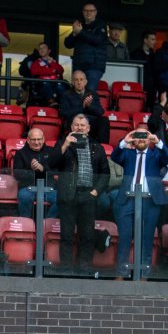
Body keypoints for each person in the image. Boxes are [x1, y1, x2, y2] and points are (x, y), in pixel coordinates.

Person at [50, 114, 110, 275]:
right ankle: (66, 269)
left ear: (88, 129)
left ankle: (85, 268)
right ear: (71, 127)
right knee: (67, 235)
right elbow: (51, 164)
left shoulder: (97, 147)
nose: (79, 128)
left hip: (88, 195)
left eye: (83, 125)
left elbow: (105, 173)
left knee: (87, 236)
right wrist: (65, 145)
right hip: (68, 195)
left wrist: (95, 192)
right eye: (76, 125)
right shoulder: (62, 144)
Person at [110, 126, 168, 278]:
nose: (142, 139)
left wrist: (158, 142)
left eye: (145, 136)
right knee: (124, 237)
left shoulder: (156, 154)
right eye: (138, 136)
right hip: (127, 199)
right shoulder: (128, 154)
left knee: (147, 238)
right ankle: (121, 273)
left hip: (150, 201)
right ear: (134, 140)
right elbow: (115, 156)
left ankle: (144, 274)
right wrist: (125, 141)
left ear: (149, 139)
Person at [64, 3, 108, 88]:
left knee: (89, 91)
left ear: (95, 12)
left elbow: (98, 40)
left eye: (91, 11)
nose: (88, 13)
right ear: (83, 12)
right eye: (86, 11)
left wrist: (80, 32)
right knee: (77, 92)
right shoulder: (80, 26)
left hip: (94, 66)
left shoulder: (101, 25)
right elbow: (68, 44)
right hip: (78, 65)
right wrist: (74, 33)